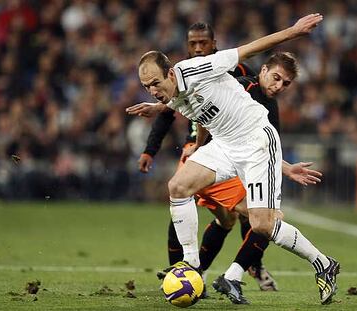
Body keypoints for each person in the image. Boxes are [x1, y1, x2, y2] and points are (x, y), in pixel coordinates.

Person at [126, 13, 340, 305]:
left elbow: (249, 48)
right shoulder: (170, 93)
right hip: (225, 144)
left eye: (154, 83)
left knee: (262, 224)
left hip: (256, 142)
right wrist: (160, 110)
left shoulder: (199, 68)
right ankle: (191, 264)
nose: (152, 89)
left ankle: (323, 263)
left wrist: (292, 31)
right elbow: (196, 112)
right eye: (146, 86)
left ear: (171, 73)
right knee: (178, 187)